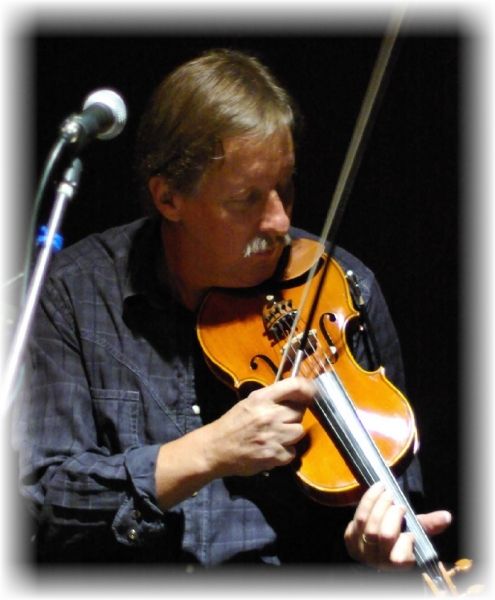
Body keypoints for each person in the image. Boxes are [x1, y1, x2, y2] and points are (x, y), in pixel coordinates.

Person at [14, 48, 451, 570]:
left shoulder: (342, 289)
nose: (279, 222)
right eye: (247, 199)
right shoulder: (72, 294)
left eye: (285, 188)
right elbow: (42, 505)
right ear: (168, 199)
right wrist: (209, 452)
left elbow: (396, 498)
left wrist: (373, 549)